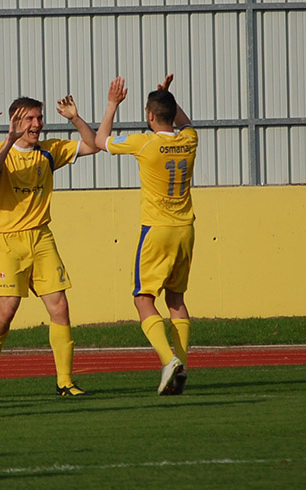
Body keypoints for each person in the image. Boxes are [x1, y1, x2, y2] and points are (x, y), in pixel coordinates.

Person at [0, 94, 98, 398]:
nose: (37, 124)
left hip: (41, 238)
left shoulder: (50, 151)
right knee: (7, 311)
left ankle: (64, 382)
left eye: (39, 118)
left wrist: (75, 119)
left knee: (60, 307)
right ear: (16, 122)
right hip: (8, 241)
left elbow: (94, 144)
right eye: (30, 119)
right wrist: (8, 141)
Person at [95, 74, 197, 395]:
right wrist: (168, 98)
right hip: (186, 229)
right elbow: (186, 122)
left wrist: (112, 104)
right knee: (176, 299)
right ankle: (180, 363)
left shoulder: (144, 142)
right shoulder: (189, 140)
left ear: (149, 115)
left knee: (143, 298)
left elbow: (101, 141)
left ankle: (169, 360)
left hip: (156, 230)